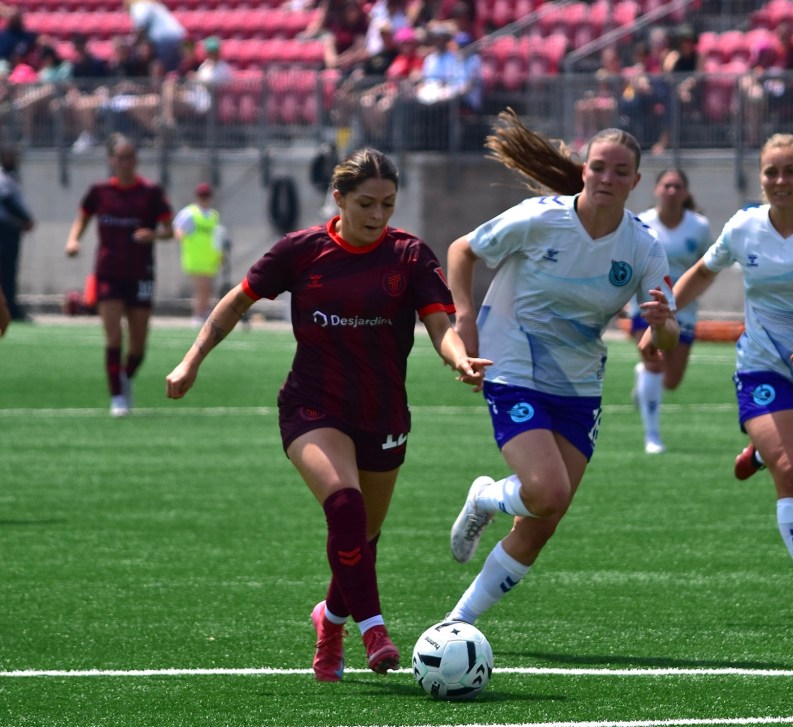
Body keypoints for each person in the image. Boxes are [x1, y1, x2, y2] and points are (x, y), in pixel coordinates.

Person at [165, 147, 490, 681]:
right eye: (366, 202)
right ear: (338, 198)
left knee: (361, 537)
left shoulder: (409, 255)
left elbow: (439, 325)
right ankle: (374, 631)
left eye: (388, 203)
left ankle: (331, 620)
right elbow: (236, 301)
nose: (378, 214)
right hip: (311, 407)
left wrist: (459, 360)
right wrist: (191, 359)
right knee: (345, 510)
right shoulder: (302, 250)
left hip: (383, 414)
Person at [645, 133, 793, 627]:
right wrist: (665, 314)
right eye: (771, 173)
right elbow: (702, 271)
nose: (780, 181)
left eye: (790, 171)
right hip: (762, 365)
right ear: (760, 179)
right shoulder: (744, 227)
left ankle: (760, 453)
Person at [445, 111, 679, 626]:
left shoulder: (642, 247)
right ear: (583, 171)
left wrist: (658, 329)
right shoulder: (539, 217)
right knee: (548, 491)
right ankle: (486, 496)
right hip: (513, 361)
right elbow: (462, 251)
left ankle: (458, 622)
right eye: (599, 167)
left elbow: (665, 335)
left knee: (544, 519)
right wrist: (465, 318)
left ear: (635, 182)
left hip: (578, 382)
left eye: (621, 172)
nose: (608, 179)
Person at [64, 134, 174, 417]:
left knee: (139, 344)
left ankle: (124, 377)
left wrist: (155, 235)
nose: (126, 162)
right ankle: (117, 397)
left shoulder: (150, 193)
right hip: (108, 272)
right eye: (120, 157)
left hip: (141, 275)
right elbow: (83, 216)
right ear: (111, 160)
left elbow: (170, 230)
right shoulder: (99, 191)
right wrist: (73, 239)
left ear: (136, 160)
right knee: (114, 336)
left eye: (130, 157)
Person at [631, 168, 711, 454]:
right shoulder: (641, 223)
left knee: (672, 380)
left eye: (678, 186)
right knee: (655, 362)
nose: (672, 191)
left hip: (684, 312)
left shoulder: (699, 227)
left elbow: (705, 267)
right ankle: (652, 436)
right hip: (647, 307)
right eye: (667, 185)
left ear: (686, 192)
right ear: (656, 189)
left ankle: (644, 379)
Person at [173, 182, 223, 324]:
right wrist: (181, 235)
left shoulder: (213, 215)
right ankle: (198, 314)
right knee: (201, 287)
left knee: (207, 287)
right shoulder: (190, 213)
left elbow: (216, 236)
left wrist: (220, 255)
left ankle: (204, 311)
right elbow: (178, 228)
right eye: (202, 196)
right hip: (195, 256)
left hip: (210, 257)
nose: (204, 199)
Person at [0, 145, 35, 322]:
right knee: (6, 271)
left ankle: (10, 307)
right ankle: (9, 309)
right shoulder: (2, 177)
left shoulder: (11, 177)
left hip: (10, 230)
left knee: (9, 271)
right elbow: (7, 201)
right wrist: (26, 219)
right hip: (4, 230)